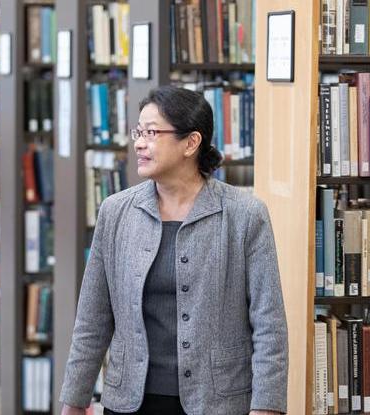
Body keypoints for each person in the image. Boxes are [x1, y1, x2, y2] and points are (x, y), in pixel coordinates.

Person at [59, 85, 288, 415]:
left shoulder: (244, 215)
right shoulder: (115, 212)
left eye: (152, 132)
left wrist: (267, 407)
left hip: (217, 401)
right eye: (138, 131)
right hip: (130, 401)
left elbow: (270, 324)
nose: (139, 142)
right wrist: (75, 398)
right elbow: (92, 319)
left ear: (191, 143)